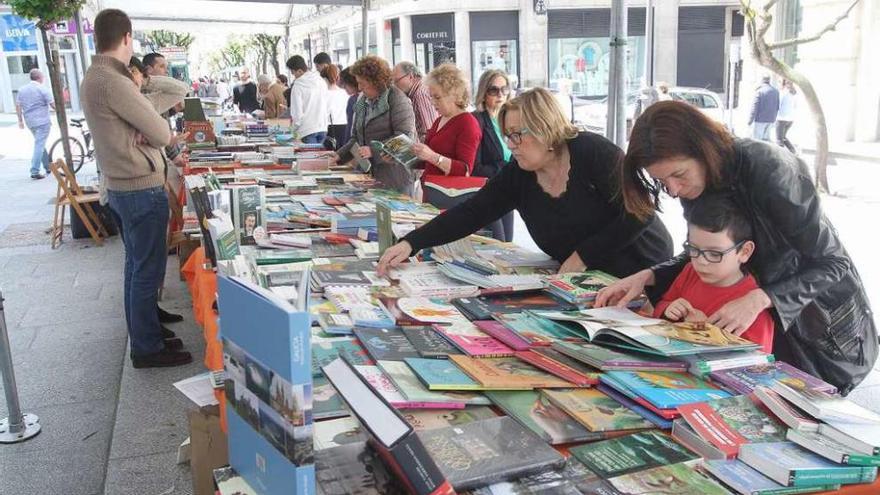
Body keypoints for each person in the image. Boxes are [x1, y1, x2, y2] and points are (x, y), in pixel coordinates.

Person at [596, 100, 878, 394]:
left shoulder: (772, 169)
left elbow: (833, 262)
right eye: (661, 181)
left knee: (803, 416)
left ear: (703, 150)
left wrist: (759, 299)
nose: (673, 190)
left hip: (820, 329)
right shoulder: (693, 183)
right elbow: (710, 249)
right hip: (760, 329)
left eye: (678, 175)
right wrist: (648, 276)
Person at [377, 87, 673, 277]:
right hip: (582, 280)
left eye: (519, 134)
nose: (512, 144)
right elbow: (472, 212)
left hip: (641, 268)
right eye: (508, 135)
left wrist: (583, 257)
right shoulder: (519, 172)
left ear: (546, 129)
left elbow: (640, 212)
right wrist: (412, 242)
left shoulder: (593, 151)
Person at [81, 8, 192, 368]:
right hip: (137, 186)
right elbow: (161, 132)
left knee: (137, 265)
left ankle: (147, 327)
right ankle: (146, 346)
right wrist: (145, 127)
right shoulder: (113, 81)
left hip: (124, 184)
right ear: (127, 38)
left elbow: (148, 128)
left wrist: (141, 88)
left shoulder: (100, 76)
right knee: (146, 268)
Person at [652, 195, 774, 354]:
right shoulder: (690, 272)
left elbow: (757, 363)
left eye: (715, 254)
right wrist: (668, 310)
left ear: (744, 252)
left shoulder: (751, 306)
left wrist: (706, 333)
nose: (701, 261)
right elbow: (660, 307)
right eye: (694, 249)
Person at [329, 56, 417, 194]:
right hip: (371, 175)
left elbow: (405, 139)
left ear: (376, 82)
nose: (359, 88)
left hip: (395, 176)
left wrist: (373, 150)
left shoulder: (398, 100)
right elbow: (356, 138)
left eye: (362, 84)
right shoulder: (362, 101)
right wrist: (340, 155)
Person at [412, 64, 482, 207]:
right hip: (431, 191)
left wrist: (432, 156)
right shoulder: (440, 119)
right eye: (431, 97)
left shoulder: (467, 123)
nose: (432, 103)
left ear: (455, 95)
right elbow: (428, 159)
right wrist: (402, 158)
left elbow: (465, 170)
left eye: (437, 97)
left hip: (449, 197)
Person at [472, 69, 515, 241]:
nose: (500, 94)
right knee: (498, 244)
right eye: (493, 90)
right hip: (487, 192)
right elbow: (475, 167)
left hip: (508, 192)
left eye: (504, 89)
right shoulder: (477, 120)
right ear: (483, 93)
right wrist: (504, 168)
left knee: (509, 246)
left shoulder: (509, 120)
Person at [15, 68, 55, 179]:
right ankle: (35, 170)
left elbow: (18, 105)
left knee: (40, 143)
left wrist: (20, 120)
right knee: (39, 144)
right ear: (39, 78)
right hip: (42, 121)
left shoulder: (22, 90)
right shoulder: (42, 89)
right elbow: (53, 104)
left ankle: (48, 167)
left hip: (30, 122)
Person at [287, 55, 329, 143]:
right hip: (322, 127)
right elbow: (327, 103)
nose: (293, 76)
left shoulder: (298, 86)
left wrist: (292, 130)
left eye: (293, 72)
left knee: (310, 156)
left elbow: (297, 113)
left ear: (299, 70)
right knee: (321, 156)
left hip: (307, 130)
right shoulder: (321, 81)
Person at [392, 61, 438, 142]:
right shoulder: (417, 91)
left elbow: (431, 130)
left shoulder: (420, 94)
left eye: (396, 81)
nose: (395, 85)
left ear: (411, 77)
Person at [322, 64, 349, 150]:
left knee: (330, 157)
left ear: (324, 79)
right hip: (345, 127)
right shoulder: (345, 93)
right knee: (342, 155)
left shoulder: (323, 94)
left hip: (329, 128)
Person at [748, 75, 779, 142]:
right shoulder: (776, 91)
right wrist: (774, 118)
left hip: (760, 120)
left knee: (757, 141)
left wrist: (750, 121)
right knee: (766, 140)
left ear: (762, 80)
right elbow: (777, 107)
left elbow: (755, 107)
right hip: (771, 120)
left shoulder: (760, 91)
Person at [776, 79, 798, 154]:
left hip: (782, 118)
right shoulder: (794, 93)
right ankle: (793, 151)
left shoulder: (783, 92)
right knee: (783, 137)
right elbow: (795, 106)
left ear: (783, 84)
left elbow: (778, 105)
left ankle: (780, 155)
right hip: (791, 119)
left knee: (779, 140)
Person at [339, 67, 359, 146]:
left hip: (354, 144)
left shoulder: (353, 100)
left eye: (344, 84)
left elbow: (351, 126)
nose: (343, 87)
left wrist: (345, 147)